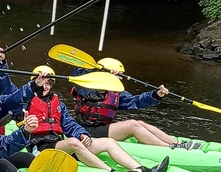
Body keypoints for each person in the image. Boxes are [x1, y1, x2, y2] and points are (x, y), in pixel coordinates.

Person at [21, 66, 169, 172]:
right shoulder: (24, 101)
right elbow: (8, 92)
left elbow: (70, 124)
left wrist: (81, 134)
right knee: (74, 142)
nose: (46, 86)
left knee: (109, 142)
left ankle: (143, 170)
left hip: (61, 143)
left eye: (50, 82)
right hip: (39, 147)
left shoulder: (58, 103)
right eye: (43, 82)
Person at [71, 58, 199, 149]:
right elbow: (78, 75)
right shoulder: (86, 88)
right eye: (118, 75)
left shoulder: (115, 92)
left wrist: (155, 95)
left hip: (100, 128)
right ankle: (168, 147)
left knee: (139, 123)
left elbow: (134, 102)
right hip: (85, 131)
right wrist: (101, 73)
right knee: (132, 125)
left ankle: (176, 143)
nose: (121, 78)